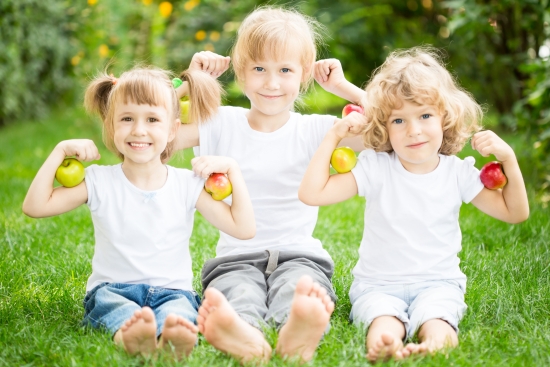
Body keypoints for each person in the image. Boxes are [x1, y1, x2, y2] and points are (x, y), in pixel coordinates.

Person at [299, 47, 529, 362]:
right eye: (398, 120)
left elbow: (515, 213)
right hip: (377, 286)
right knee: (382, 321)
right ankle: (386, 345)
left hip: (438, 284)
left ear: (445, 118)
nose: (414, 130)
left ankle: (432, 344)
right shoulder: (376, 166)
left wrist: (509, 161)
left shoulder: (457, 172)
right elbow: (313, 194)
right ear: (383, 127)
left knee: (438, 320)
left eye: (425, 116)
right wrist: (332, 138)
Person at [173, 6, 366, 363]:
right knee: (238, 295)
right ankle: (244, 334)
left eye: (285, 70)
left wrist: (344, 88)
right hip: (235, 259)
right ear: (241, 73)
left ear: (304, 75)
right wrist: (190, 82)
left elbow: (385, 133)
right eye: (259, 68)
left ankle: (298, 330)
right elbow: (154, 131)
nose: (272, 82)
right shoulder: (218, 122)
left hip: (301, 256)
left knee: (300, 293)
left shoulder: (316, 131)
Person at [22, 66, 255, 360]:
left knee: (179, 313)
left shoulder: (187, 184)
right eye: (127, 118)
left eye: (152, 119)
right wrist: (59, 153)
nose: (139, 130)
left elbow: (243, 228)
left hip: (173, 291)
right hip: (113, 290)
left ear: (172, 129)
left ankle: (172, 338)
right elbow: (35, 206)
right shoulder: (98, 181)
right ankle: (132, 337)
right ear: (111, 126)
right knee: (117, 309)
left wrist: (233, 170)